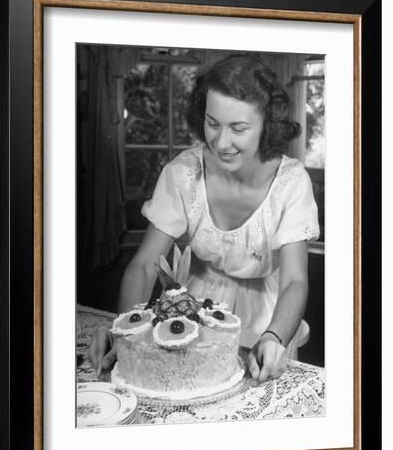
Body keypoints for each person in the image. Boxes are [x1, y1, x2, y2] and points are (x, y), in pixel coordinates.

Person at [89, 53, 319, 383]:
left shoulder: (292, 181)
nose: (221, 143)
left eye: (238, 128)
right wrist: (124, 328)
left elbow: (295, 280)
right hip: (195, 307)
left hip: (269, 316)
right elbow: (143, 265)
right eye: (213, 124)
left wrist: (275, 337)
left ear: (268, 124)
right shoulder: (184, 172)